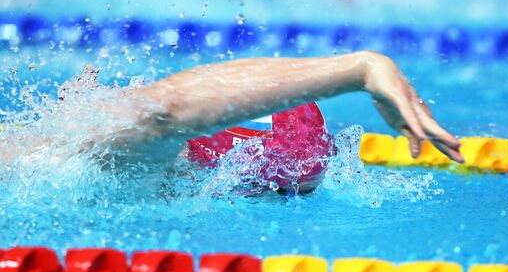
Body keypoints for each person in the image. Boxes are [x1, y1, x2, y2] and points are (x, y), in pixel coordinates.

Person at [1, 51, 463, 191]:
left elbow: (163, 115)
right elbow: (166, 115)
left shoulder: (117, 167)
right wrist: (357, 71)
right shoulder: (115, 159)